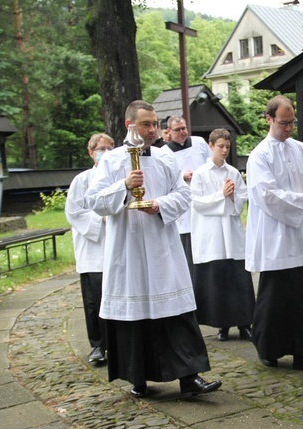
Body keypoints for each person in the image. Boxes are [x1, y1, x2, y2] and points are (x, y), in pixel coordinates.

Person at [85, 100, 221, 399]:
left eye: (155, 123)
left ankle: (189, 378)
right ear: (128, 125)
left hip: (162, 246)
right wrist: (123, 185)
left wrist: (159, 205)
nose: (152, 129)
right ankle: (138, 378)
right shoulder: (111, 161)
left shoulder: (164, 158)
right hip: (129, 249)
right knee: (136, 315)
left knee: (175, 311)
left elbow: (184, 195)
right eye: (146, 124)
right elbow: (94, 202)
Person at [245, 95, 303, 374]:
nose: (289, 128)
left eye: (292, 122)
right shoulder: (260, 155)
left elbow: (301, 179)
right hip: (275, 234)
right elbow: (266, 194)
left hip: (301, 231)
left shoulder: (300, 148)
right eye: (283, 123)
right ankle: (269, 348)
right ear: (269, 119)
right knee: (275, 297)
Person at [190, 128, 254, 341]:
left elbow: (242, 200)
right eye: (221, 146)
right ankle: (222, 325)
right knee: (218, 280)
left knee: (237, 278)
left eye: (227, 146)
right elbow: (197, 203)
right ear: (211, 146)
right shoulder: (200, 173)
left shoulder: (233, 172)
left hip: (231, 232)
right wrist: (221, 195)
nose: (225, 150)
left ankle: (245, 323)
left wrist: (233, 196)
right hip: (212, 235)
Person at [65, 133, 113, 364]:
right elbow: (73, 212)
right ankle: (97, 345)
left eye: (110, 148)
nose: (106, 152)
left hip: (115, 248)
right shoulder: (82, 180)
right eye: (101, 148)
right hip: (92, 249)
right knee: (94, 300)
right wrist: (99, 220)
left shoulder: (118, 177)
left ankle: (117, 343)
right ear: (91, 152)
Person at [166, 116, 211, 278]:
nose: (182, 132)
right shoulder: (165, 152)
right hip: (183, 209)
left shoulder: (199, 142)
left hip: (204, 199)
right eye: (177, 129)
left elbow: (211, 162)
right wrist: (182, 176)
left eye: (184, 128)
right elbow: (165, 178)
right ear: (169, 132)